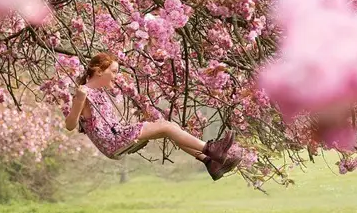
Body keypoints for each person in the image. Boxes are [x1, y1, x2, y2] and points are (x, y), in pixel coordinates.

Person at [65, 52, 241, 181]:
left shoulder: (99, 92)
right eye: (114, 71)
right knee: (167, 127)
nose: (117, 76)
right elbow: (70, 125)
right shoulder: (84, 93)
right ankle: (211, 149)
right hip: (113, 141)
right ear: (99, 71)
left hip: (118, 136)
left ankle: (210, 163)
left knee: (171, 128)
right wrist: (79, 100)